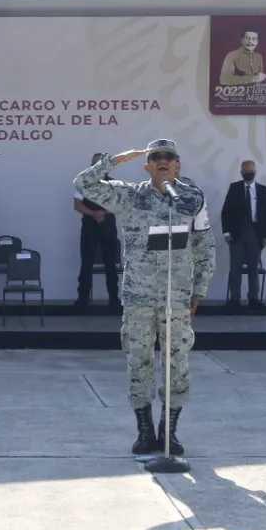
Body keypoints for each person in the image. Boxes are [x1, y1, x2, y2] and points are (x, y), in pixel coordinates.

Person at [73, 140, 216, 456]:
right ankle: (144, 429)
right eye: (156, 156)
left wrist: (198, 291)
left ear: (178, 164)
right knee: (139, 363)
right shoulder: (130, 195)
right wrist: (114, 161)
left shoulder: (192, 198)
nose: (163, 160)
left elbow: (205, 247)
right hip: (139, 297)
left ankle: (169, 431)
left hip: (177, 297)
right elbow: (83, 184)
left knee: (176, 366)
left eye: (169, 156)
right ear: (147, 165)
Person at [220, 160, 266, 309]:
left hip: (255, 232)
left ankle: (253, 299)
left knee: (253, 267)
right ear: (241, 172)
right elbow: (226, 211)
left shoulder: (263, 190)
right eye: (246, 171)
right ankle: (234, 299)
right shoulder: (234, 188)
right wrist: (226, 233)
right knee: (235, 267)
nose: (248, 173)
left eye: (251, 171)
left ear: (255, 172)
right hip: (237, 232)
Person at [73, 152, 121, 310]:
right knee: (86, 263)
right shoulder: (82, 182)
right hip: (89, 226)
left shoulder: (114, 184)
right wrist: (93, 213)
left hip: (108, 225)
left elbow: (119, 204)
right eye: (95, 165)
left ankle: (114, 300)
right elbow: (77, 205)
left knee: (110, 264)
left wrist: (104, 213)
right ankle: (82, 301)